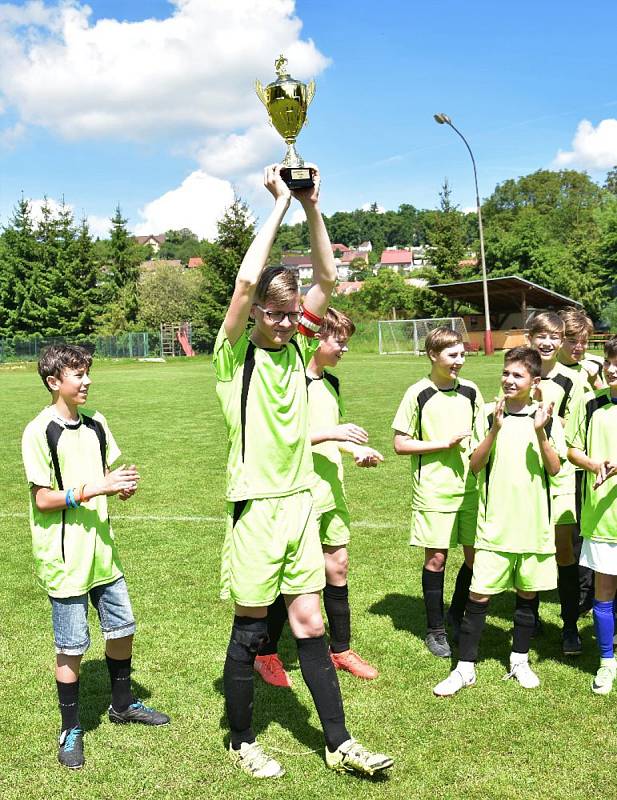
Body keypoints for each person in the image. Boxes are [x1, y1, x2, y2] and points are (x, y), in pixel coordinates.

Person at [214, 164, 393, 779]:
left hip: (300, 503)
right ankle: (241, 740)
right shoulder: (232, 353)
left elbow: (327, 277)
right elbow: (241, 286)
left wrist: (313, 205)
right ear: (259, 311)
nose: (288, 323)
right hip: (256, 507)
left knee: (311, 622)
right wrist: (278, 206)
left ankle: (338, 741)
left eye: (293, 316)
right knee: (250, 626)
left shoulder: (294, 345)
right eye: (276, 313)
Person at [21, 344, 169, 771]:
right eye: (77, 375)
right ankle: (70, 728)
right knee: (71, 647)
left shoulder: (98, 424)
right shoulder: (39, 431)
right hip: (65, 558)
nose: (86, 381)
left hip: (103, 551)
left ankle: (122, 704)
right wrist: (94, 489)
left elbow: (105, 476)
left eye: (87, 373)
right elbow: (43, 499)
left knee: (122, 629)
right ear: (54, 382)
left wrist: (120, 486)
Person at [254, 307, 383, 688]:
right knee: (290, 578)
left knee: (338, 567)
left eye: (345, 340)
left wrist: (354, 450)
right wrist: (334, 433)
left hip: (331, 489)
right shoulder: (291, 384)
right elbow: (282, 440)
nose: (344, 347)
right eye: (338, 339)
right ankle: (265, 655)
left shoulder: (332, 384)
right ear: (315, 339)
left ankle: (340, 650)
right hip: (299, 493)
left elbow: (333, 435)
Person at [433, 347, 564, 696]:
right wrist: (494, 428)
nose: (509, 379)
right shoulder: (490, 414)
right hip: (494, 527)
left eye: (517, 375)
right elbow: (474, 465)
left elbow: (555, 467)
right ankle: (464, 668)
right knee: (477, 598)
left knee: (526, 596)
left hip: (533, 527)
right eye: (506, 373)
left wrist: (541, 432)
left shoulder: (546, 418)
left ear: (534, 382)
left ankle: (519, 660)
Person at [392, 328, 483, 658]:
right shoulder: (418, 393)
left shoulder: (472, 392)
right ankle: (436, 631)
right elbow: (400, 444)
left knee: (476, 558)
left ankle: (455, 616)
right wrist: (441, 445)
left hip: (470, 489)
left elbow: (482, 440)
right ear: (433, 355)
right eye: (452, 355)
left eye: (462, 354)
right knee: (437, 558)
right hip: (433, 490)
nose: (459, 361)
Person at [526, 312, 586, 654]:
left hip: (561, 473)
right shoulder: (519, 370)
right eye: (542, 335)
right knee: (532, 546)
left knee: (564, 549)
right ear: (529, 337)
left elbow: (576, 430)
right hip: (527, 473)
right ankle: (530, 617)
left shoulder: (570, 381)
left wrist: (553, 421)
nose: (549, 342)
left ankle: (569, 626)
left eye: (555, 336)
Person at [566, 336, 617, 694]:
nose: (612, 368)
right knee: (604, 594)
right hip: (602, 515)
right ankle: (605, 663)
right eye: (610, 361)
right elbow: (571, 449)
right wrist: (593, 463)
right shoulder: (589, 403)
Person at [557, 307, 603, 614]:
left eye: (583, 340)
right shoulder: (549, 372)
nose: (579, 346)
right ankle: (575, 599)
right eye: (572, 339)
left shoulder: (594, 368)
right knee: (571, 537)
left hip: (597, 460)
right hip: (565, 465)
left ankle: (592, 594)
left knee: (595, 531)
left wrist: (597, 380)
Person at [557, 307, 605, 391]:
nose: (579, 347)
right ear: (560, 340)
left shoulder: (596, 366)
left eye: (584, 342)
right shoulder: (547, 367)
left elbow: (607, 402)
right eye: (572, 341)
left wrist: (596, 382)